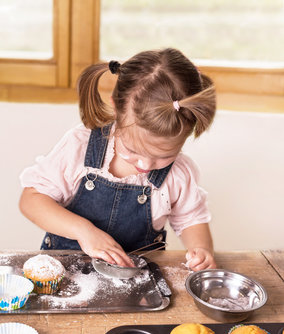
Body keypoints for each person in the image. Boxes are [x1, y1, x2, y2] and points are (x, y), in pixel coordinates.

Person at [19, 48, 217, 271]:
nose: (145, 165)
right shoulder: (79, 148)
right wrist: (84, 230)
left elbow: (191, 220)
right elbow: (31, 201)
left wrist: (202, 251)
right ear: (116, 106)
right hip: (65, 275)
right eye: (133, 150)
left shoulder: (179, 174)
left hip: (137, 283)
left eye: (164, 156)